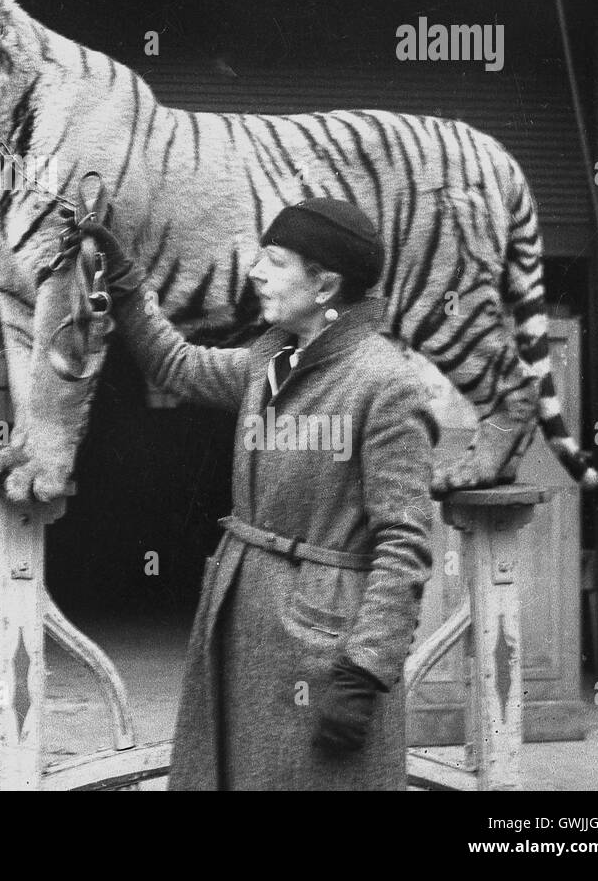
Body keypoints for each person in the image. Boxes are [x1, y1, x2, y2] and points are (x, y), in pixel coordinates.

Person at [63, 196, 434, 790]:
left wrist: (365, 669)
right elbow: (175, 365)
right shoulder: (270, 358)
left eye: (275, 260)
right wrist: (127, 281)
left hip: (326, 648)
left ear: (325, 284)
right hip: (243, 619)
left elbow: (405, 542)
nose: (255, 272)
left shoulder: (385, 383)